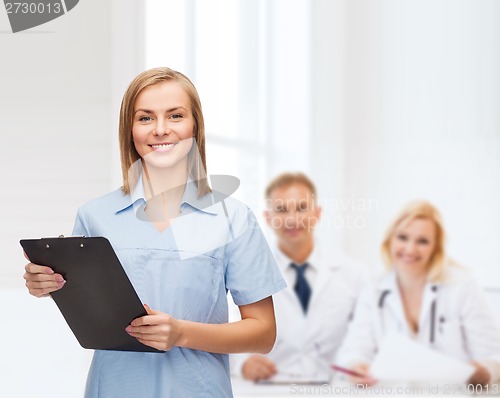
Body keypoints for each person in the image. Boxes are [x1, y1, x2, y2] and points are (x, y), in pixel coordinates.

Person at [22, 67, 286, 397]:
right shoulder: (94, 216)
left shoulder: (234, 219)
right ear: (129, 130)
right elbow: (84, 304)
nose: (161, 130)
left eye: (175, 116)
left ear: (195, 127)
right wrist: (44, 284)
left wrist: (182, 333)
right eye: (145, 118)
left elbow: (263, 334)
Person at [336, 200, 500, 386]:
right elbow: (355, 348)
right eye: (402, 237)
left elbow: (494, 355)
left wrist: (486, 372)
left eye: (422, 241)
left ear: (435, 247)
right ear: (390, 239)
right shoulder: (374, 287)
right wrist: (356, 365)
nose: (410, 249)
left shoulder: (462, 286)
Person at [232, 172, 364, 382]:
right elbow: (230, 332)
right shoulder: (248, 271)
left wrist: (356, 363)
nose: (292, 219)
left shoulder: (355, 275)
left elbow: (363, 337)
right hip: (272, 390)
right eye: (281, 210)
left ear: (318, 213)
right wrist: (243, 364)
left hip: (335, 389)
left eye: (302, 208)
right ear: (268, 218)